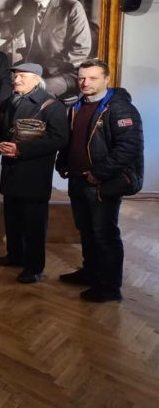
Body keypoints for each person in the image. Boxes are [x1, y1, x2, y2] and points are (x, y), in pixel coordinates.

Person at [56, 59, 144, 302]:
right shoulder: (76, 105)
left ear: (107, 79)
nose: (85, 82)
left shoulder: (120, 108)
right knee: (86, 230)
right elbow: (71, 140)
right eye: (82, 78)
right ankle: (90, 273)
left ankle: (109, 287)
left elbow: (128, 148)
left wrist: (99, 173)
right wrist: (63, 164)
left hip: (103, 182)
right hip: (78, 179)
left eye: (93, 78)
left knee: (104, 234)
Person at [0, 63, 69, 284]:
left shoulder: (52, 105)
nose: (16, 80)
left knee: (34, 225)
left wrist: (21, 150)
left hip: (34, 175)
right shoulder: (10, 102)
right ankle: (14, 256)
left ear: (37, 79)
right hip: (11, 173)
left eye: (22, 76)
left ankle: (34, 268)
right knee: (12, 220)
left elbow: (59, 139)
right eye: (15, 76)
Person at [5, 0, 92, 98]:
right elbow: (12, 28)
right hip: (33, 69)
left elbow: (80, 50)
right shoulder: (29, 7)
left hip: (65, 73)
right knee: (2, 85)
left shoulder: (72, 7)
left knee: (34, 92)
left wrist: (44, 69)